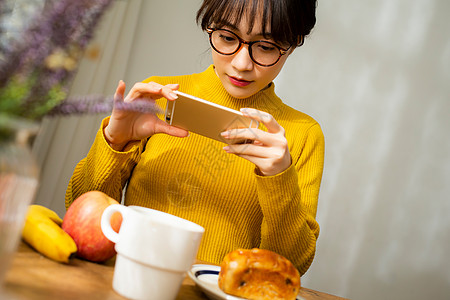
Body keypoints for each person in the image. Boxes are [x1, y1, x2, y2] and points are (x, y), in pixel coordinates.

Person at [66, 0, 324, 276]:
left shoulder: (301, 134)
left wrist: (279, 179)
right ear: (209, 26)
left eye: (266, 47)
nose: (241, 64)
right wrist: (114, 142)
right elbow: (80, 213)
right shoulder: (159, 98)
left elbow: (290, 266)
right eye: (227, 38)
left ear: (293, 43)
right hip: (126, 283)